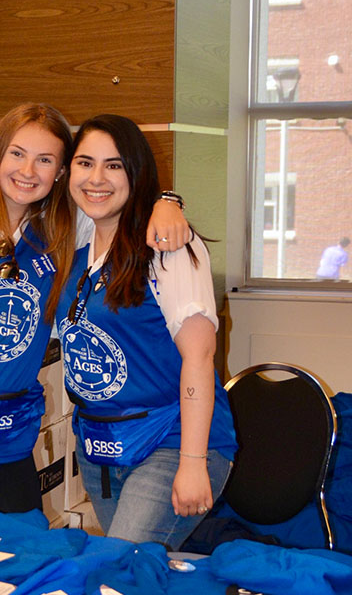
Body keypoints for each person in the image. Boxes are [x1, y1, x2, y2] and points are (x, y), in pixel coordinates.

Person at [0, 103, 189, 514]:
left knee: (16, 566)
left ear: (61, 172)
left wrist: (167, 200)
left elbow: (122, 201)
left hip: (5, 441)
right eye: (17, 154)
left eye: (45, 160)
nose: (28, 171)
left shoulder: (68, 228)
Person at [58, 114, 237, 550]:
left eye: (114, 165)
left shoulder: (167, 246)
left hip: (172, 443)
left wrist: (193, 462)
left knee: (117, 567)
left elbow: (198, 356)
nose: (96, 178)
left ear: (135, 172)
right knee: (135, 569)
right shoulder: (78, 237)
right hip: (101, 447)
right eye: (85, 163)